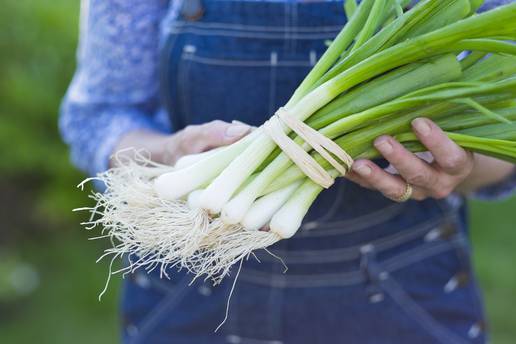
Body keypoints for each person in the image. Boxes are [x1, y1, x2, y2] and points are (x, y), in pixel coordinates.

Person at [60, 1, 516, 343]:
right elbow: (98, 116)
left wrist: (460, 169)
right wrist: (166, 151)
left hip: (403, 292)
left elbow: (501, 123)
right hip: (186, 277)